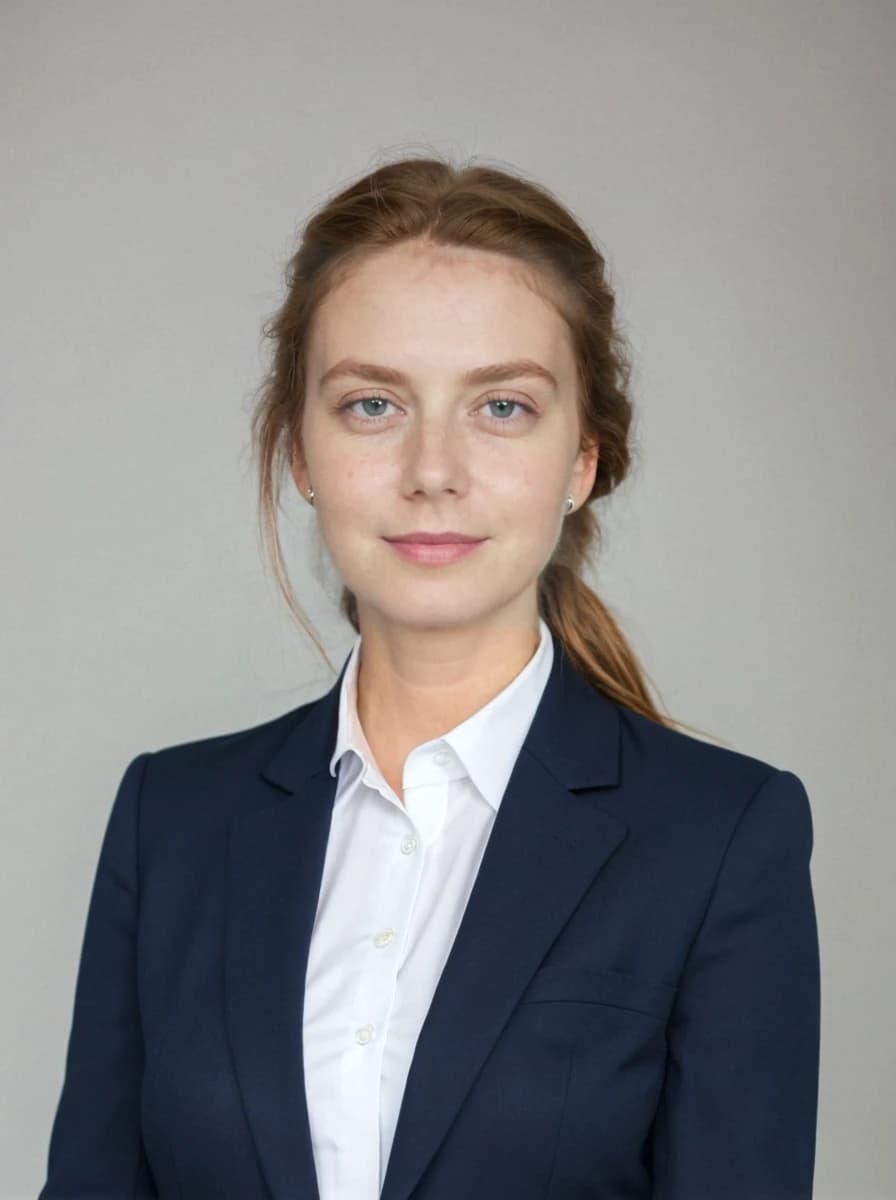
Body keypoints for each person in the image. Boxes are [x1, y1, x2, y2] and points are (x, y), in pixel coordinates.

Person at [38, 155, 821, 1199]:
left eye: (501, 407)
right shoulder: (169, 823)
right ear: (301, 452)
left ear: (581, 460)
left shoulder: (722, 840)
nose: (432, 469)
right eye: (372, 405)